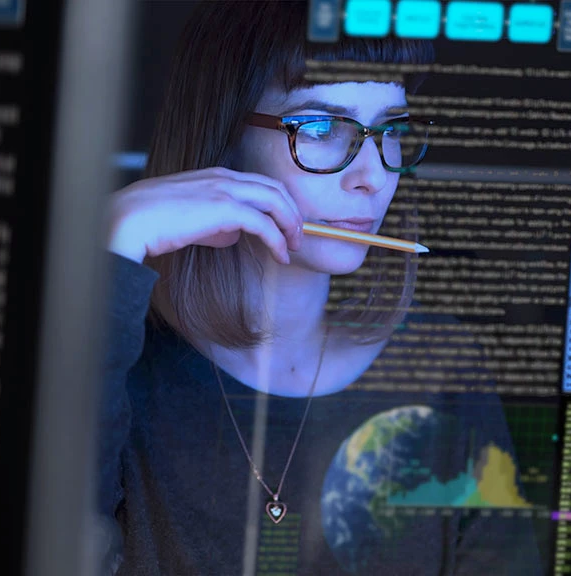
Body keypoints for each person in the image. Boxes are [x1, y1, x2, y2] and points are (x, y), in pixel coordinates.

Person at [98, 1, 544, 574]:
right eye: (319, 127)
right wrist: (114, 245)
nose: (374, 176)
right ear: (222, 135)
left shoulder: (443, 367)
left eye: (390, 130)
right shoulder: (121, 363)